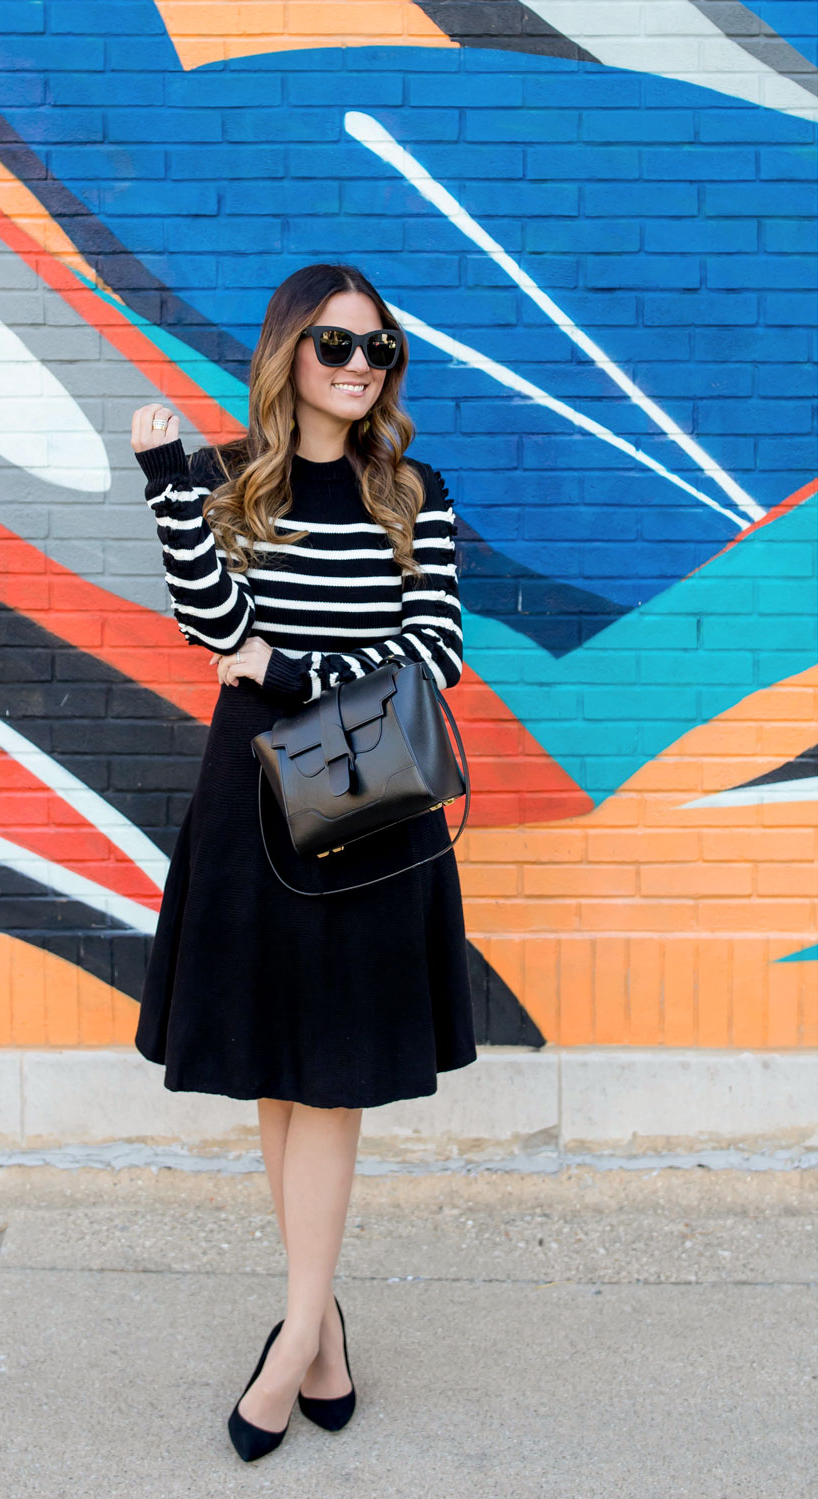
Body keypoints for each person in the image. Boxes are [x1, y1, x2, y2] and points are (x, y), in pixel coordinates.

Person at [130, 262, 477, 1461]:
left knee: (330, 1074)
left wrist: (289, 674)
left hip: (370, 801)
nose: (356, 365)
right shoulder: (232, 483)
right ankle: (320, 1320)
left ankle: (290, 1340)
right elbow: (209, 628)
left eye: (378, 350)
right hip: (251, 802)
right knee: (282, 1069)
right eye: (335, 344)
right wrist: (167, 485)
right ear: (289, 350)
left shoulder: (411, 488)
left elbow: (433, 649)